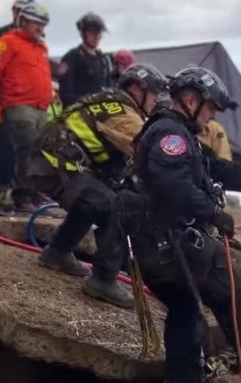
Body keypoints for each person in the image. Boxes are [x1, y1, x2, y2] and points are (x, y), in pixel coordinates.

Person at [127, 66, 241, 382]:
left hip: (156, 246)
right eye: (210, 107)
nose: (212, 116)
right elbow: (172, 184)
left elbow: (227, 171)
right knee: (234, 292)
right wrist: (213, 213)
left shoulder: (181, 135)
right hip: (170, 246)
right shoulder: (170, 135)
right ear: (189, 99)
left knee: (185, 310)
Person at [29, 63, 168, 309]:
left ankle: (58, 252)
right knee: (115, 205)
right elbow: (148, 151)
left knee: (99, 197)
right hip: (58, 165)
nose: (155, 101)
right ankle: (103, 279)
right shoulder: (123, 113)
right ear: (137, 88)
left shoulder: (109, 101)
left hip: (49, 163)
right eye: (154, 94)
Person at [0, 1, 52, 212]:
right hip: (18, 105)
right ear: (23, 21)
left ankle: (33, 194)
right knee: (26, 149)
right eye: (37, 23)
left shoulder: (41, 48)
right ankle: (22, 197)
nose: (41, 29)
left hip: (41, 107)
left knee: (41, 150)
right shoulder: (7, 42)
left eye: (43, 25)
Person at [57, 12, 113, 107]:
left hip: (102, 111)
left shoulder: (103, 59)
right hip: (79, 111)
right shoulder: (72, 57)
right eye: (92, 32)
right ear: (82, 33)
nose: (96, 36)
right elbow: (65, 92)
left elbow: (109, 86)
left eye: (99, 33)